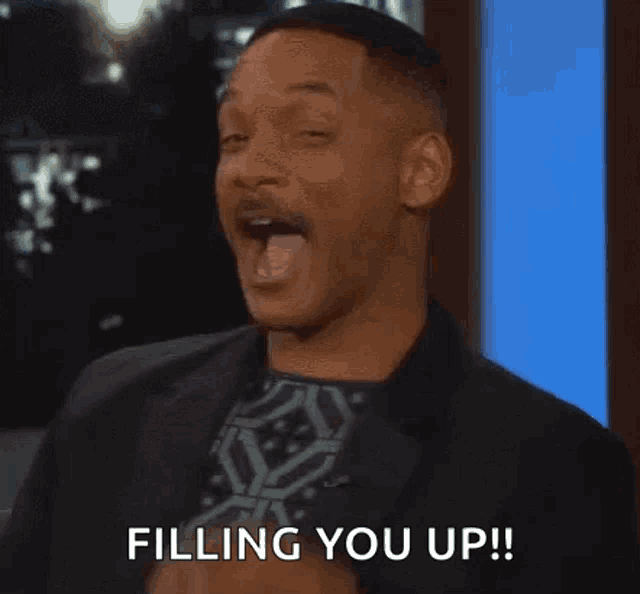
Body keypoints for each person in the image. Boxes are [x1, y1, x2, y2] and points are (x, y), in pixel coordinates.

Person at [1, 3, 638, 593]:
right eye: (234, 138)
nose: (251, 168)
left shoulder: (554, 463)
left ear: (420, 172)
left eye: (309, 133)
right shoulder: (110, 402)